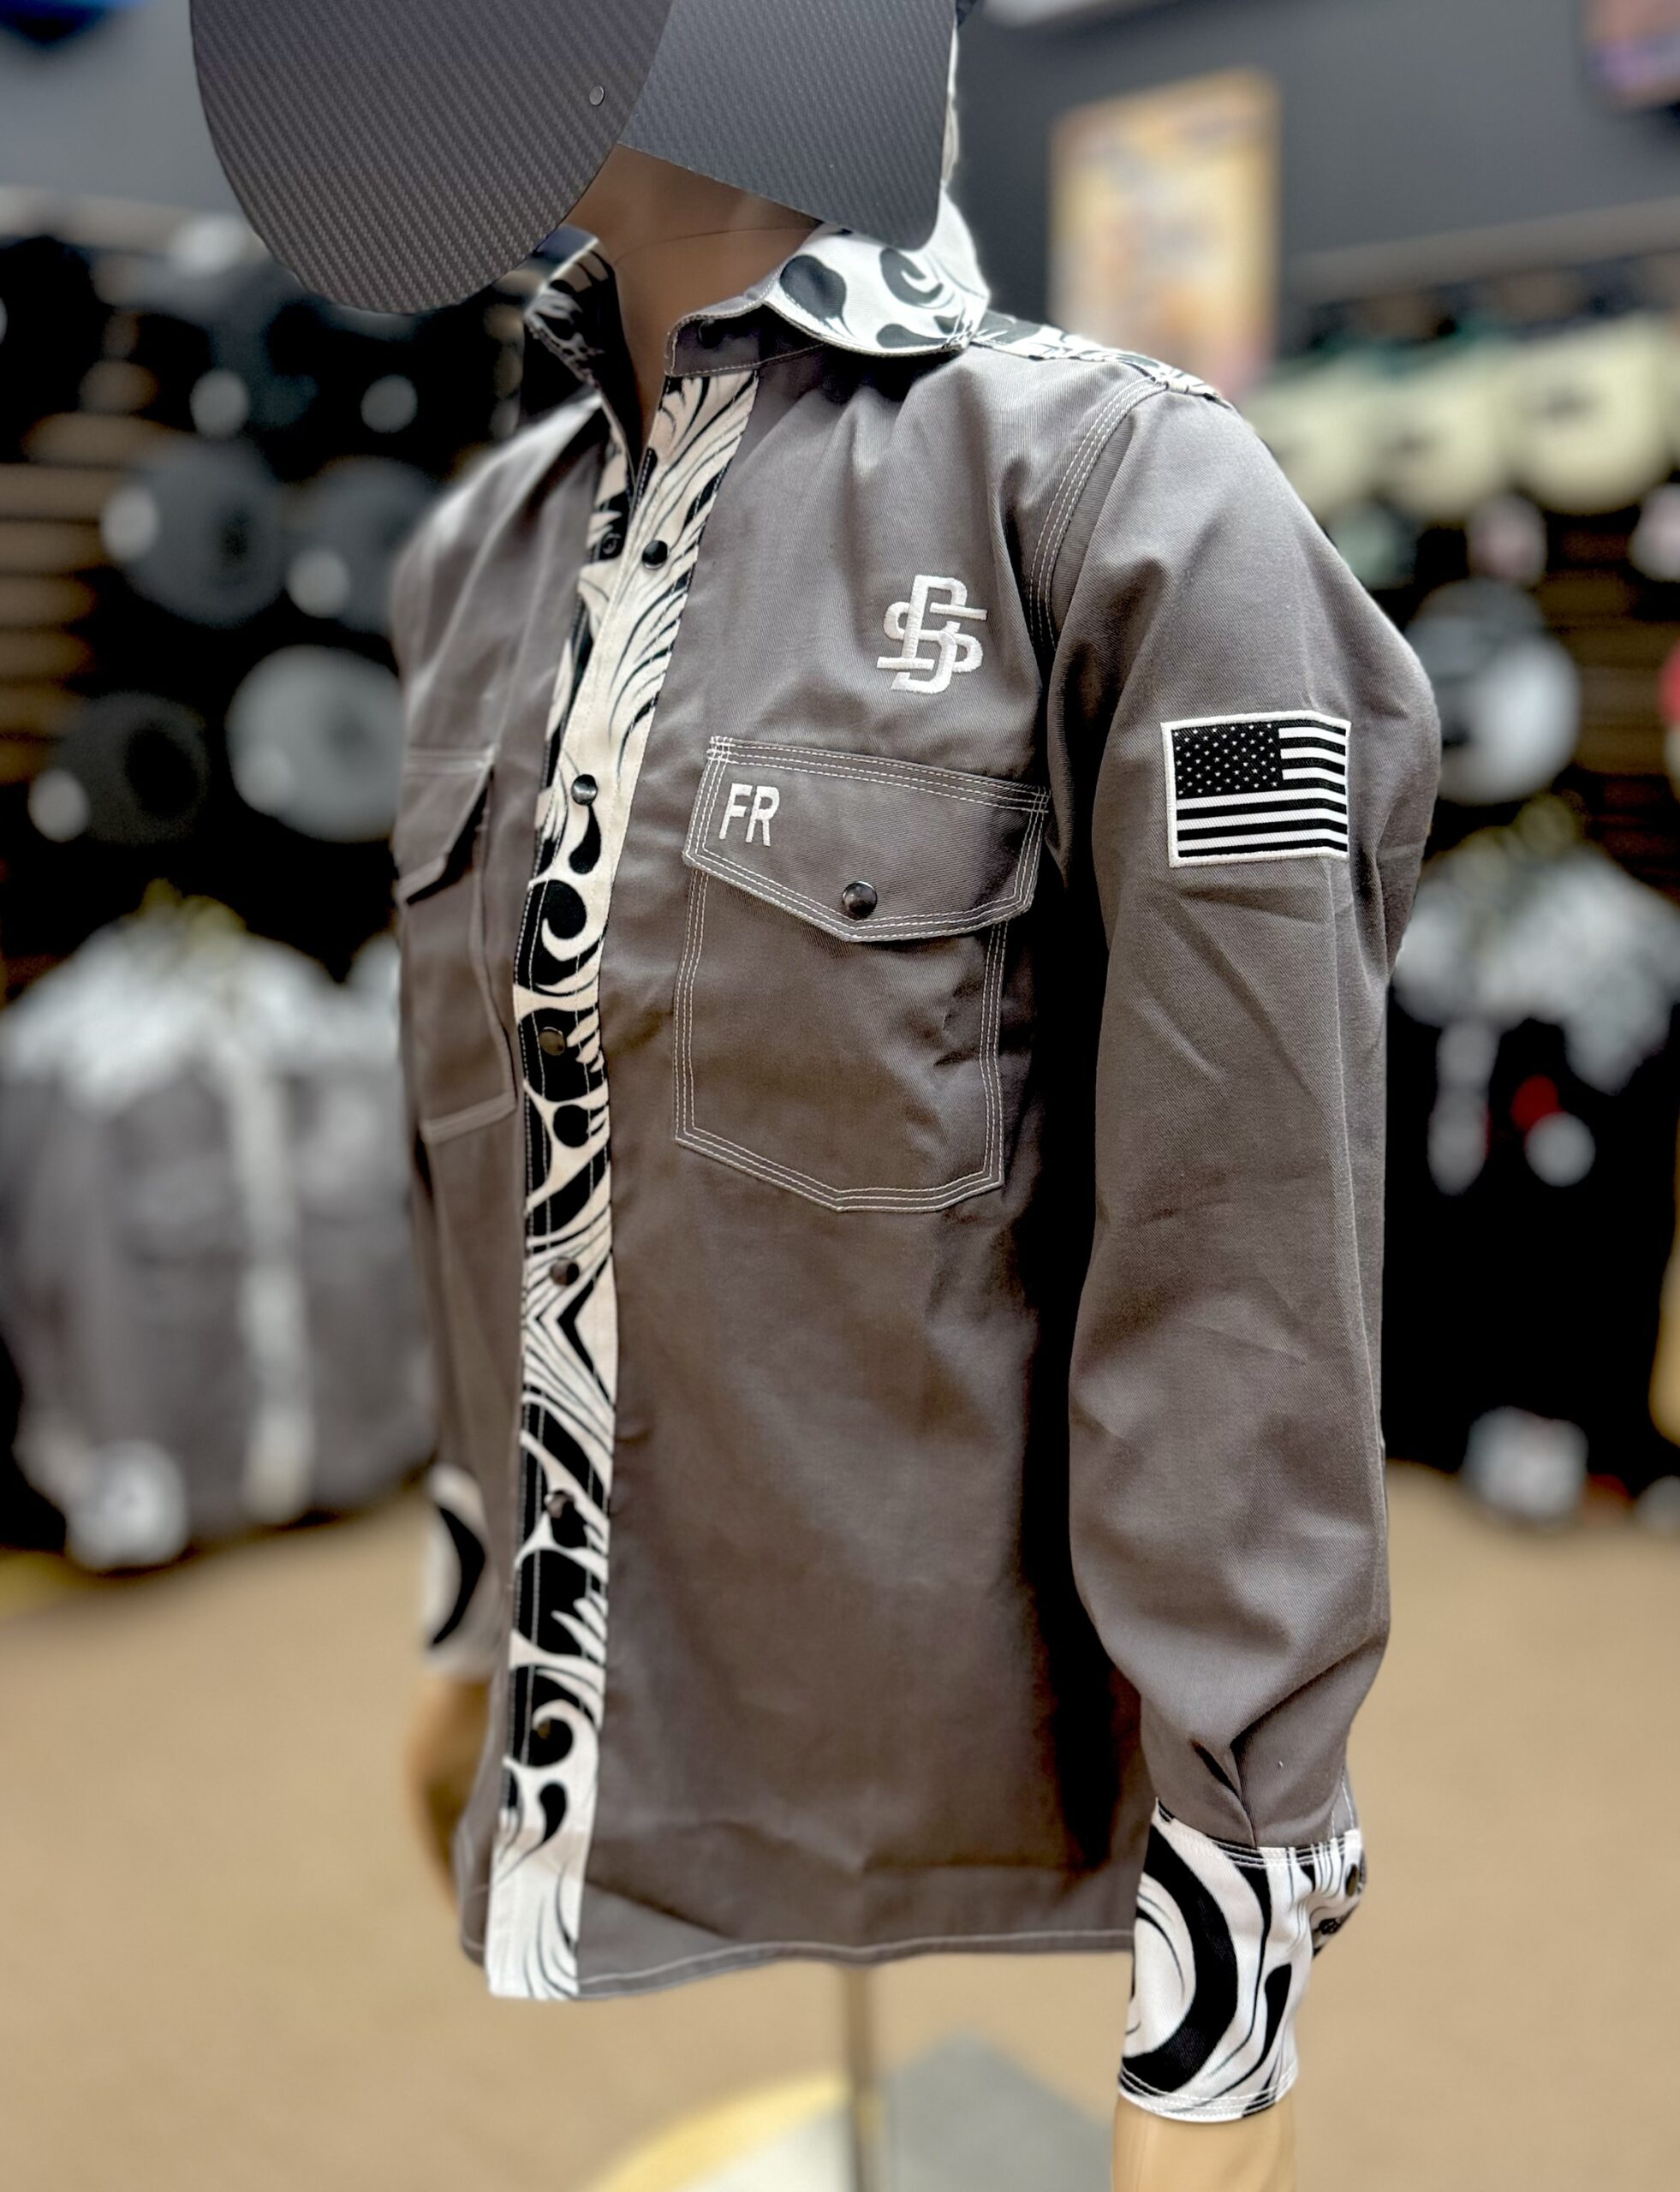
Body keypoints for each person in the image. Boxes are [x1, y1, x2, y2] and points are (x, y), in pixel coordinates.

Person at [194, 5, 1440, 2184]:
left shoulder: (1126, 498)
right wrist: (477, 1621)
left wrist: (1225, 1988)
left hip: (947, 1693)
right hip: (630, 1678)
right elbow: (483, 1161)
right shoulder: (479, 561)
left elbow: (1241, 1251)